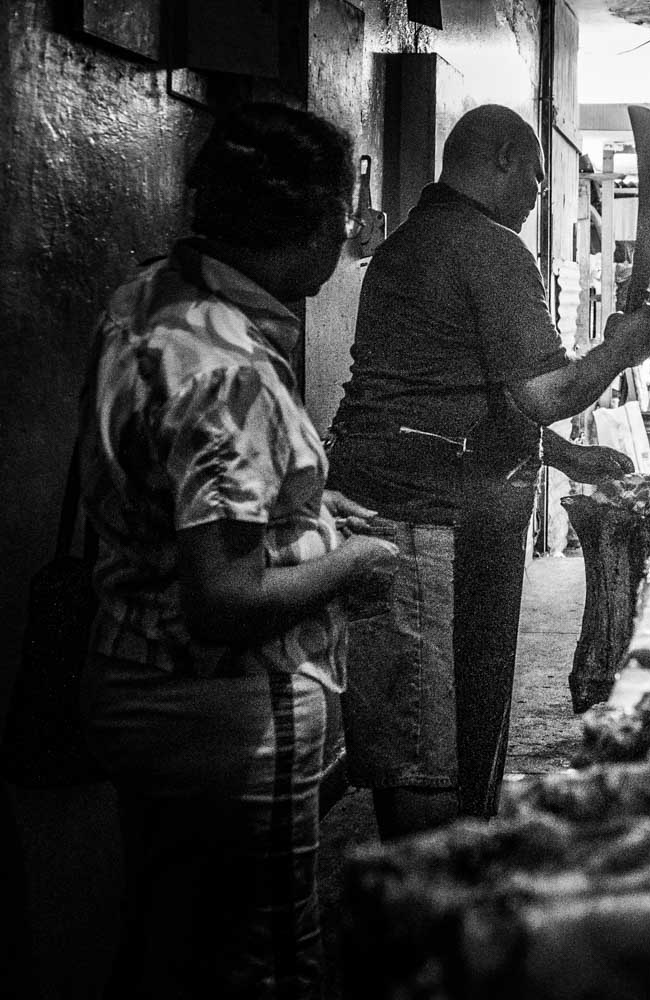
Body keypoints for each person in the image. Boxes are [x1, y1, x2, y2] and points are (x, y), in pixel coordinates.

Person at [78, 103, 400, 999]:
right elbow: (221, 595)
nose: (349, 231)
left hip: (128, 673)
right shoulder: (231, 368)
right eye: (343, 213)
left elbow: (170, 490)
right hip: (226, 706)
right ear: (310, 227)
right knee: (264, 963)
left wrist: (309, 504)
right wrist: (351, 564)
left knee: (169, 943)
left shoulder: (147, 298)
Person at [326, 104, 650, 839]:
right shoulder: (486, 245)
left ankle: (448, 878)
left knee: (436, 725)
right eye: (540, 178)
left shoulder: (413, 242)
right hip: (429, 521)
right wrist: (622, 351)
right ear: (507, 158)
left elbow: (457, 391)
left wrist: (566, 456)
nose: (540, 196)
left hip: (400, 504)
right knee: (430, 742)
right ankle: (436, 903)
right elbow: (542, 393)